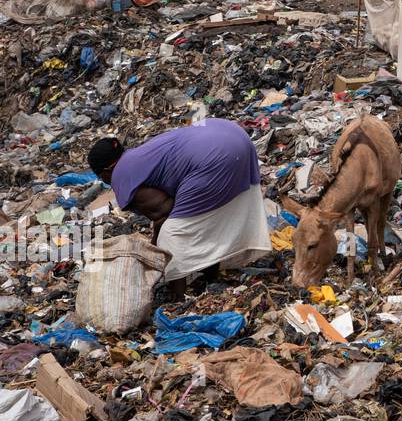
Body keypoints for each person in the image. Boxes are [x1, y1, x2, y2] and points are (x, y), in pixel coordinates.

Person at [88, 120, 272, 298]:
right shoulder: (140, 154)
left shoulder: (121, 174)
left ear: (105, 172)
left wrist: (152, 250)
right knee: (200, 221)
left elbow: (164, 212)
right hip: (235, 135)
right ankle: (210, 277)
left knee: (172, 235)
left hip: (216, 156)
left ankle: (178, 297)